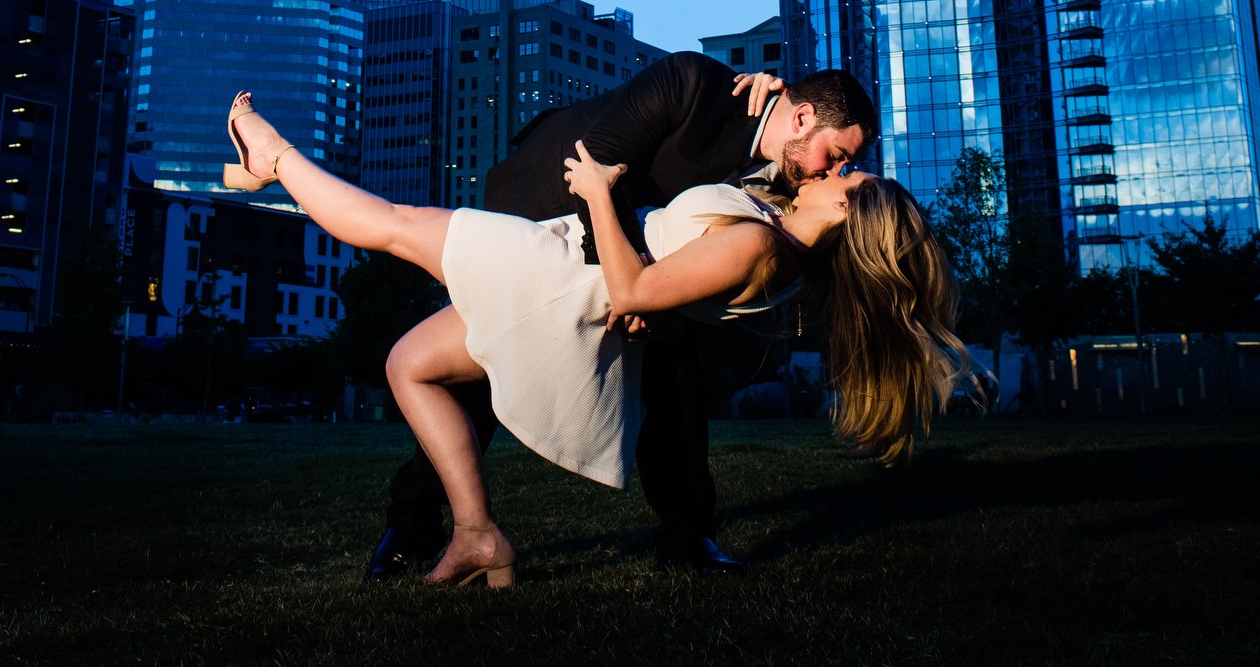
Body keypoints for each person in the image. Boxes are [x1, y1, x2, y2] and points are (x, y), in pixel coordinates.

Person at [219, 86, 963, 587]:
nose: (846, 169)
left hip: (574, 277)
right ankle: (478, 533)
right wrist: (763, 89)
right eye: (847, 159)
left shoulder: (765, 251)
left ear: (846, 214)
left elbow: (639, 287)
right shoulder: (775, 231)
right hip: (580, 285)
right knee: (409, 363)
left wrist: (603, 195)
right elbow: (687, 258)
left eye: (854, 178)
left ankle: (274, 156)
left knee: (392, 223)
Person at [384, 53, 877, 577]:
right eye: (837, 154)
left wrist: (643, 296)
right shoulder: (693, 83)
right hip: (546, 203)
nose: (834, 170)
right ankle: (411, 527)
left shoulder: (788, 175)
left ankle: (688, 539)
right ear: (801, 118)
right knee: (481, 365)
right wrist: (628, 285)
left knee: (676, 370)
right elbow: (598, 158)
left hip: (634, 261)